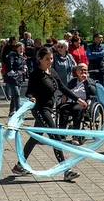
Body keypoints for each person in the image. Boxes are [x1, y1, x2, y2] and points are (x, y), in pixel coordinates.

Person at [12, 46, 86, 182]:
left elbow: (63, 87)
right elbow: (29, 92)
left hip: (49, 109)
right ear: (39, 59)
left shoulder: (52, 72)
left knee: (35, 137)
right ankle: (66, 170)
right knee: (55, 137)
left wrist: (77, 99)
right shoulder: (35, 75)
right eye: (47, 59)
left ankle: (19, 166)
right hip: (40, 110)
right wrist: (31, 97)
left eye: (51, 58)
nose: (50, 61)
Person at [59, 63, 98, 132]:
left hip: (82, 102)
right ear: (77, 72)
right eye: (81, 70)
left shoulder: (90, 81)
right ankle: (62, 134)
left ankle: (76, 135)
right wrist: (64, 95)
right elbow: (66, 89)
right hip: (70, 101)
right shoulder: (73, 81)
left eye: (85, 70)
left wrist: (86, 81)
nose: (83, 72)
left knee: (77, 110)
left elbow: (93, 92)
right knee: (63, 109)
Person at [5, 42, 29, 115]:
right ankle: (19, 111)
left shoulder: (21, 56)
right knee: (17, 94)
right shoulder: (12, 55)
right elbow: (9, 65)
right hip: (13, 77)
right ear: (16, 48)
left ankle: (12, 110)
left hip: (20, 77)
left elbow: (24, 63)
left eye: (23, 48)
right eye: (21, 48)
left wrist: (25, 68)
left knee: (14, 95)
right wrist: (12, 73)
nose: (22, 50)